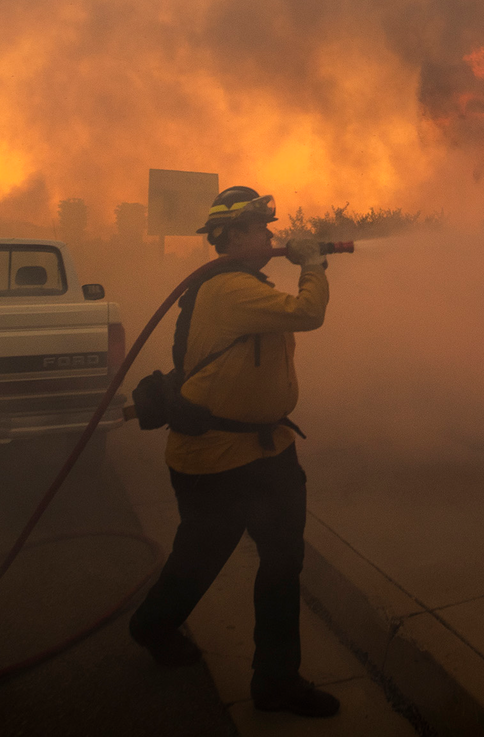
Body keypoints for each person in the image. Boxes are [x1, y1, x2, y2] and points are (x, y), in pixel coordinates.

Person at [127, 186, 338, 718]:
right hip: (215, 458)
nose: (270, 237)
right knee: (201, 558)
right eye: (262, 230)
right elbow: (309, 312)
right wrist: (311, 264)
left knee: (283, 562)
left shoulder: (247, 287)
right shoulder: (230, 292)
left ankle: (276, 683)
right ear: (236, 236)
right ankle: (152, 625)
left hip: (270, 451)